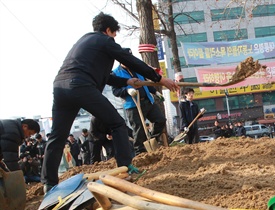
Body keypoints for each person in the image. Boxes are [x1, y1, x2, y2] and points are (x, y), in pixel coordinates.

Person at [41, 12, 178, 193]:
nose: (114, 39)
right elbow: (129, 60)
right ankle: (126, 166)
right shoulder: (105, 41)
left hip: (60, 87)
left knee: (57, 136)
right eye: (114, 34)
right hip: (81, 85)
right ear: (108, 30)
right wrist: (158, 78)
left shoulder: (85, 42)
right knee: (117, 123)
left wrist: (126, 81)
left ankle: (49, 183)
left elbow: (105, 76)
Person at [112, 49, 167, 155]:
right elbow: (115, 91)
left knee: (160, 120)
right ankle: (140, 152)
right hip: (133, 105)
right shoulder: (115, 73)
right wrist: (127, 91)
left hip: (147, 101)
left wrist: (156, 92)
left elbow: (146, 83)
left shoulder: (138, 69)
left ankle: (153, 140)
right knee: (138, 130)